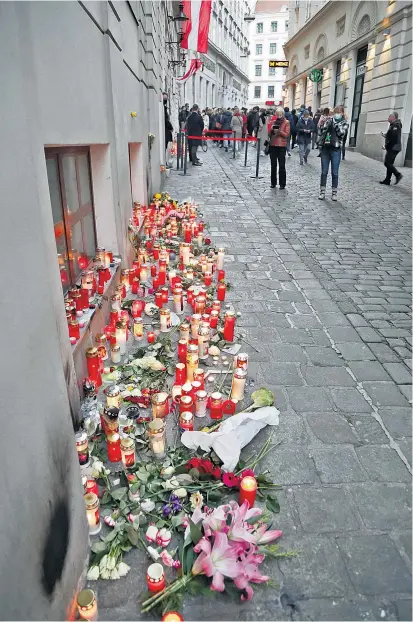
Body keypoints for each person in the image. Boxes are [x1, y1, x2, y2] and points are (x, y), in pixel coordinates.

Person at [317, 106, 349, 200]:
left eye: (338, 112)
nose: (336, 114)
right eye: (335, 112)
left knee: (335, 172)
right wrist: (322, 123)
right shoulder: (329, 120)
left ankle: (334, 192)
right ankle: (322, 191)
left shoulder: (344, 123)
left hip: (336, 149)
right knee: (324, 171)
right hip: (326, 148)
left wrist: (335, 124)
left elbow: (341, 134)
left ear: (342, 113)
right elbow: (321, 131)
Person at [267, 106, 290, 189]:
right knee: (273, 166)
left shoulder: (286, 122)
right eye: (277, 115)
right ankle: (273, 183)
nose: (279, 116)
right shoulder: (273, 121)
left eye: (280, 115)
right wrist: (272, 130)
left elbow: (286, 135)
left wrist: (279, 131)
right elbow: (269, 134)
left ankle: (282, 184)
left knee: (281, 166)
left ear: (283, 114)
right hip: (273, 145)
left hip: (281, 146)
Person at [380, 111, 403, 185]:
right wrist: (385, 135)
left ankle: (398, 175)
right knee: (389, 163)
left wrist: (385, 146)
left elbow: (393, 137)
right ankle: (387, 180)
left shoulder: (396, 125)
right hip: (393, 147)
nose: (388, 118)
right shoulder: (393, 125)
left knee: (387, 163)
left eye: (389, 116)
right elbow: (391, 135)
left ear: (393, 117)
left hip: (394, 147)